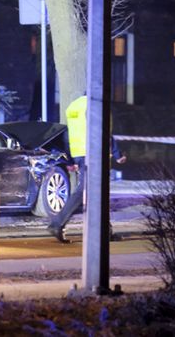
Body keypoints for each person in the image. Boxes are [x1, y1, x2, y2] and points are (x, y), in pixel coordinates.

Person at [48, 95, 126, 243]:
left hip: (80, 154)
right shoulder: (97, 104)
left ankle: (105, 232)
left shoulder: (74, 105)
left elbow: (67, 134)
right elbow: (104, 132)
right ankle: (57, 223)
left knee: (97, 194)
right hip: (95, 154)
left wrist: (70, 159)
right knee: (85, 192)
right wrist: (117, 154)